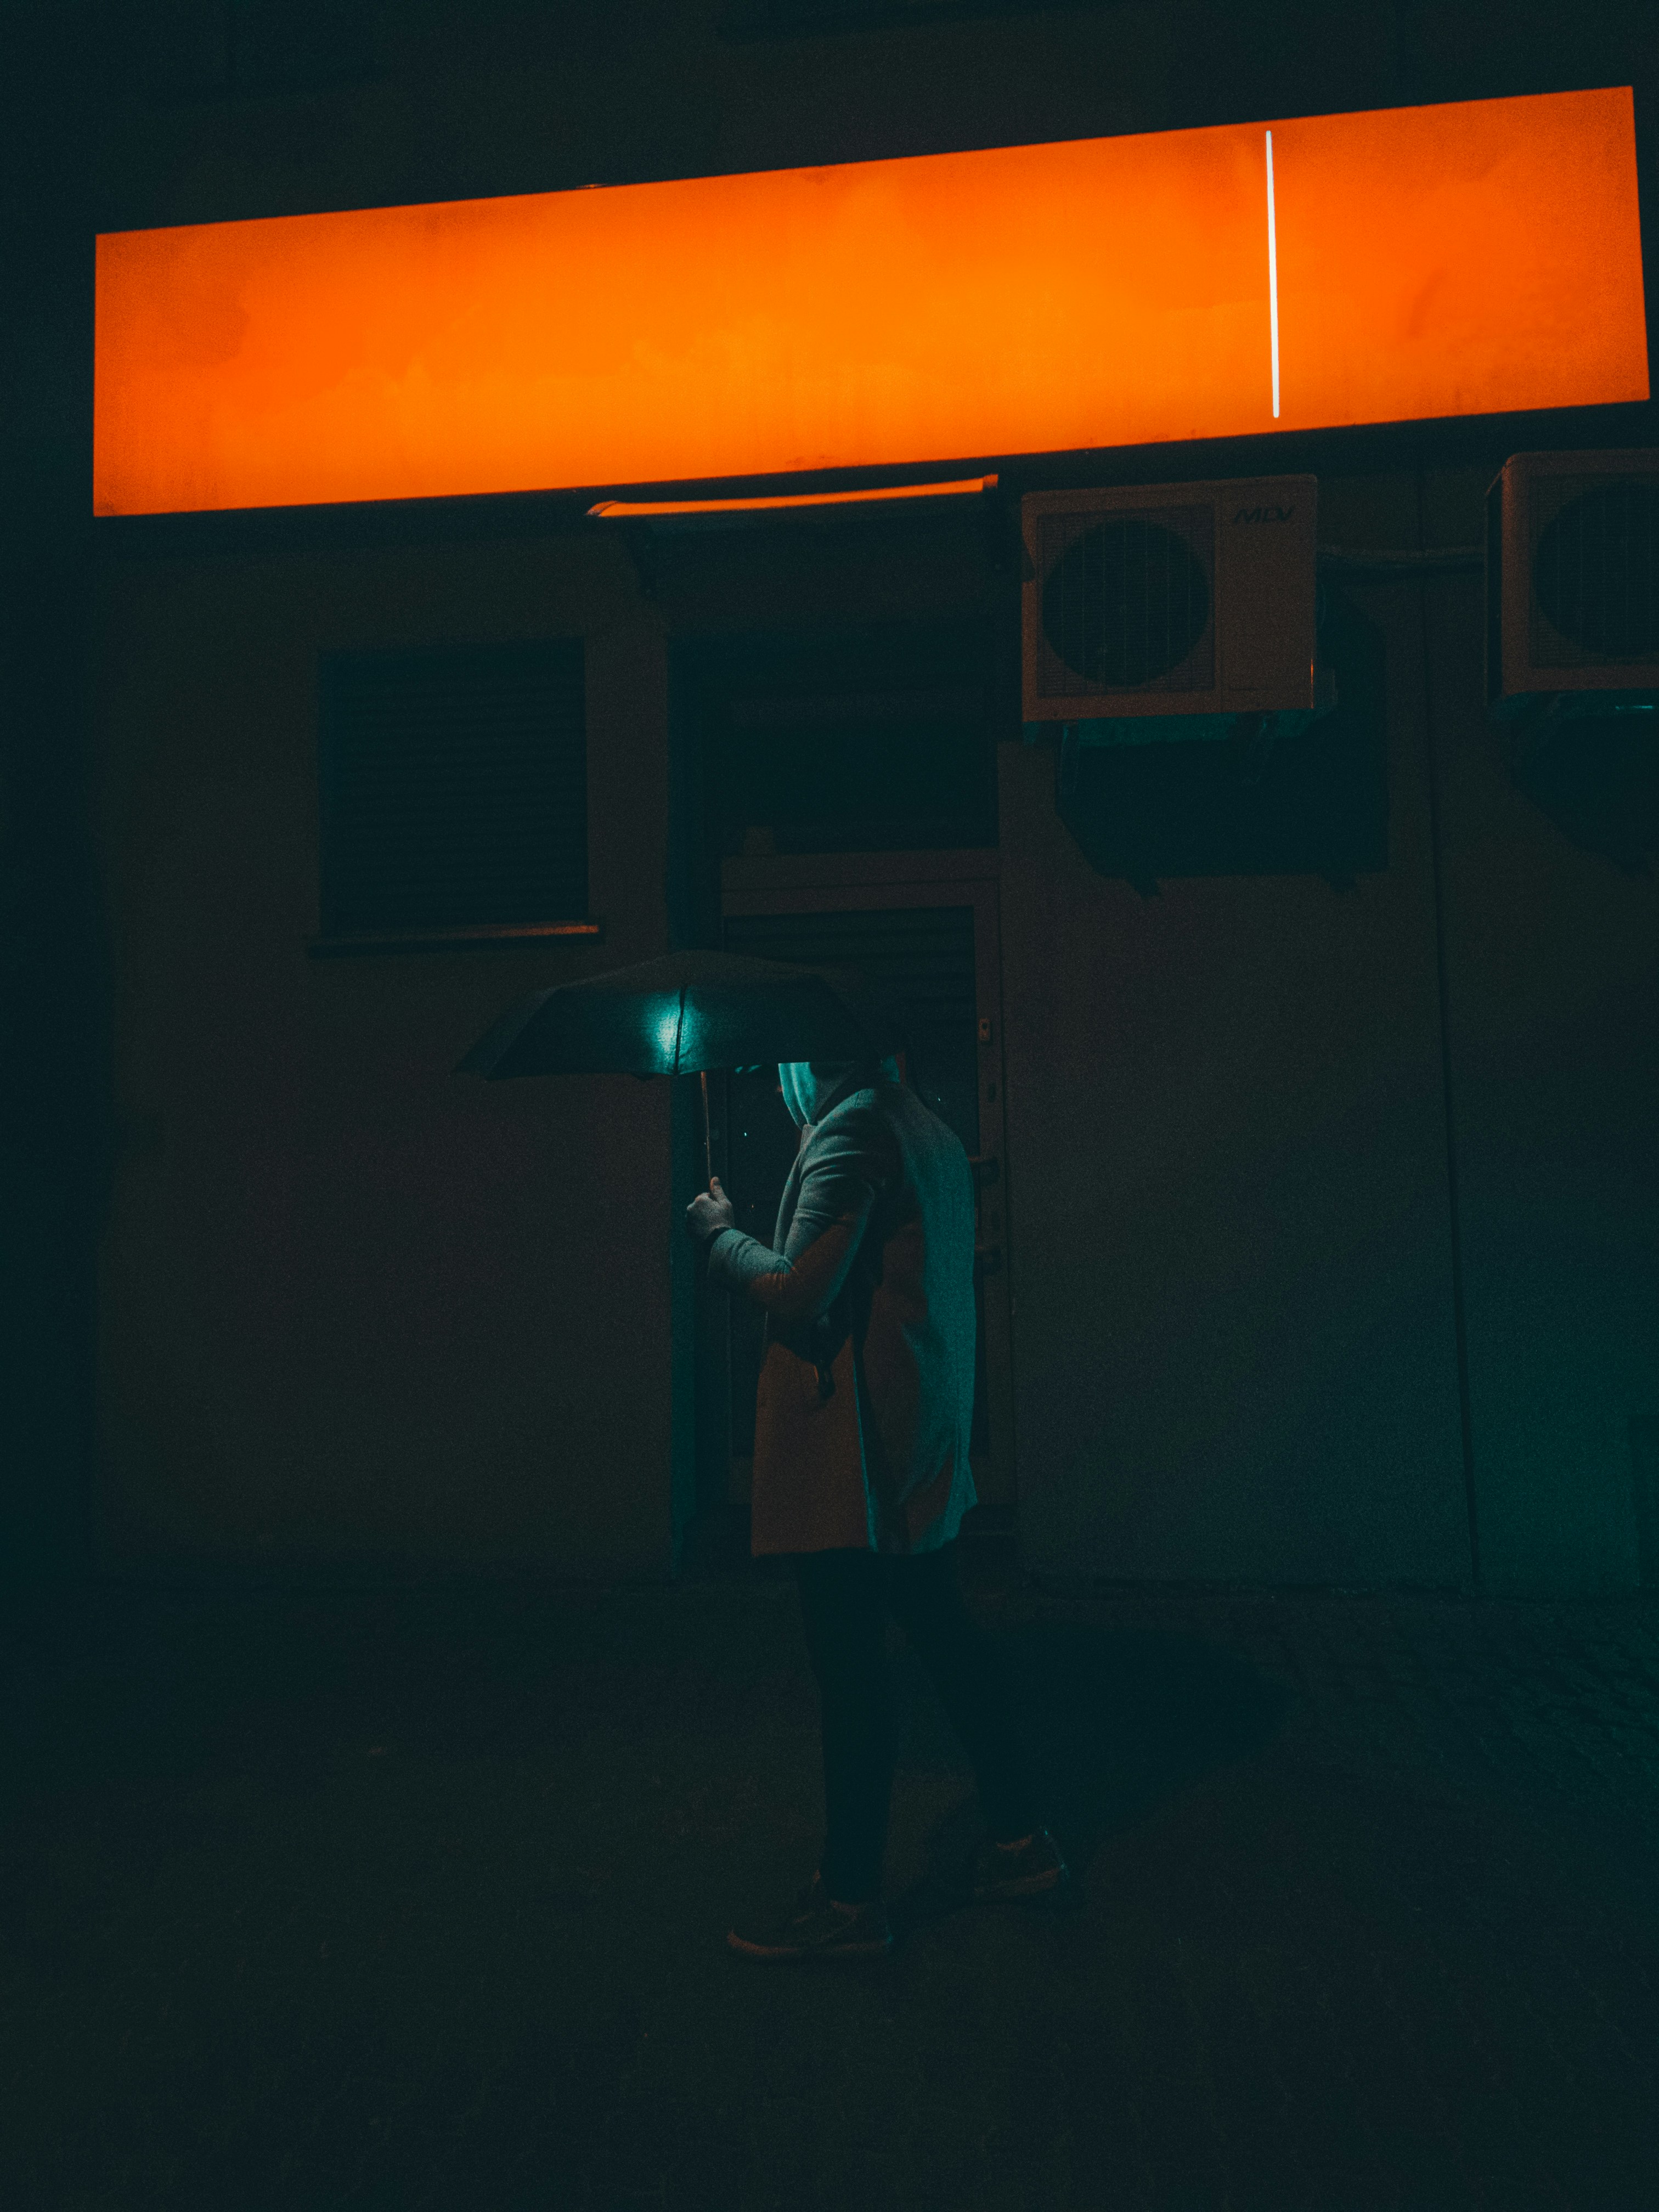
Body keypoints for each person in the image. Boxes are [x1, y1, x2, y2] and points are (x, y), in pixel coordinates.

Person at [685, 1054, 1069, 1962]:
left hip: (852, 1450)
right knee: (945, 1636)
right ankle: (1020, 1844)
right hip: (916, 1432)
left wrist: (718, 1235)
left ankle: (850, 1898)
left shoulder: (853, 1127)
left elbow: (795, 1288)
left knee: (850, 1668)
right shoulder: (923, 1122)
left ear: (814, 1058)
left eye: (786, 1063)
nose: (780, 1083)